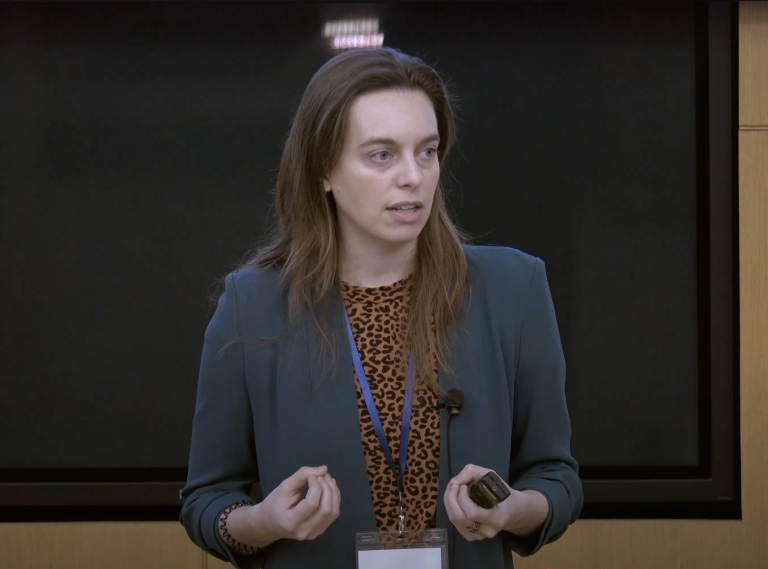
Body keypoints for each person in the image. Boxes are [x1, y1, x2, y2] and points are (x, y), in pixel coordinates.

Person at [180, 46, 582, 569]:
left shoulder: (514, 288)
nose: (413, 177)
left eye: (427, 151)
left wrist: (513, 509)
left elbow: (557, 478)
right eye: (381, 155)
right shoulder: (250, 304)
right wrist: (265, 521)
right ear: (323, 170)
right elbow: (206, 502)